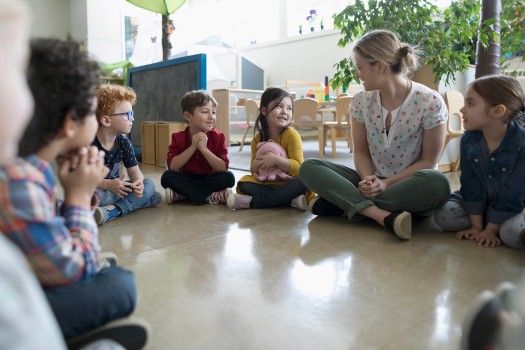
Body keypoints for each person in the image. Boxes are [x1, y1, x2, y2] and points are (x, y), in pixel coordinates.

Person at [0, 37, 147, 349]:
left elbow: (48, 212)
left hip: (30, 274)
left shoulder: (31, 166)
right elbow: (72, 271)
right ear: (70, 123)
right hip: (24, 305)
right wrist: (79, 196)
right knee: (121, 284)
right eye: (92, 113)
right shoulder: (19, 180)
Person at [299, 30, 451, 239]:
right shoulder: (360, 102)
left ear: (380, 66)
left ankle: (346, 204)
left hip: (410, 185)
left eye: (360, 67)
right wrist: (368, 180)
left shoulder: (429, 101)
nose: (357, 74)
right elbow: (360, 151)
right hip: (371, 180)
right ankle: (379, 215)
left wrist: (386, 184)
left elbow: (428, 161)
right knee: (309, 167)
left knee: (438, 183)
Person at [434, 75, 525, 248]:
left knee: (510, 234)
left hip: (513, 205)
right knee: (443, 216)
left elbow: (513, 194)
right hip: (480, 201)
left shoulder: (521, 144)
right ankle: (486, 222)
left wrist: (491, 230)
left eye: (470, 103)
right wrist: (476, 226)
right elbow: (470, 183)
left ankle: (495, 225)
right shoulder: (469, 139)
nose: (462, 109)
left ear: (497, 111)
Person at [227, 87, 311, 210]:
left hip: (289, 182)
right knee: (244, 183)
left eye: (289, 108)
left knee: (304, 181)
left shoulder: (292, 135)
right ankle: (289, 201)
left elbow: (299, 168)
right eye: (279, 106)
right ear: (264, 110)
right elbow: (253, 171)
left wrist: (276, 160)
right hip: (266, 183)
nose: (284, 112)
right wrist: (256, 164)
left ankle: (252, 202)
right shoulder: (257, 139)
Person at [93, 84, 161, 225]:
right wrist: (109, 184)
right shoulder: (90, 144)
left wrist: (138, 183)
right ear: (106, 120)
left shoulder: (124, 143)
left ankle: (112, 210)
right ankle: (134, 203)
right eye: (127, 114)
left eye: (132, 114)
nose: (132, 119)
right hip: (97, 191)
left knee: (149, 185)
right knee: (91, 196)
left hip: (117, 190)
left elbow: (135, 172)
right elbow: (81, 179)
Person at [161, 90, 235, 205]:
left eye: (214, 112)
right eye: (205, 112)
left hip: (210, 178)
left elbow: (223, 168)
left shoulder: (219, 137)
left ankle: (184, 194)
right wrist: (193, 146)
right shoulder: (178, 137)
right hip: (187, 178)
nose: (211, 117)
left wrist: (204, 150)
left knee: (229, 177)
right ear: (188, 116)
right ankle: (211, 196)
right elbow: (173, 166)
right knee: (167, 177)